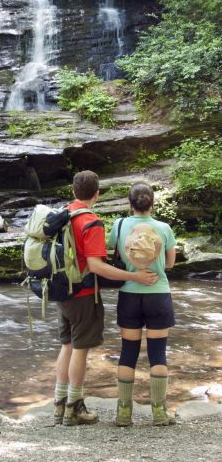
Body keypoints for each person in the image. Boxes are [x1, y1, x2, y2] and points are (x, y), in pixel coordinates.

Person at [54, 170, 158, 427]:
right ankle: (74, 408)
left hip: (62, 289)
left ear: (73, 192)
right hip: (84, 294)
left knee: (66, 345)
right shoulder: (91, 221)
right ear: (97, 194)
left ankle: (59, 404)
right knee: (80, 348)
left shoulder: (64, 214)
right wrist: (133, 277)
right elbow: (97, 266)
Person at [108, 181, 176, 427]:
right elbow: (169, 264)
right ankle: (159, 412)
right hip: (158, 293)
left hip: (129, 294)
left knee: (128, 352)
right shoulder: (164, 228)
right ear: (153, 203)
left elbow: (112, 253)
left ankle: (124, 413)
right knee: (158, 353)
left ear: (130, 203)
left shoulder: (120, 225)